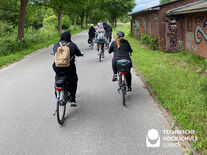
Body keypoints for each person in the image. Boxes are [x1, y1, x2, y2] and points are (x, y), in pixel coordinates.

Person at [52, 31, 83, 106]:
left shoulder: (56, 45)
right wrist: (80, 54)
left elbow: (54, 52)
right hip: (69, 67)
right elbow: (78, 53)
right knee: (73, 80)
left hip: (57, 67)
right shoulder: (72, 45)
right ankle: (72, 99)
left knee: (58, 76)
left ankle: (58, 89)